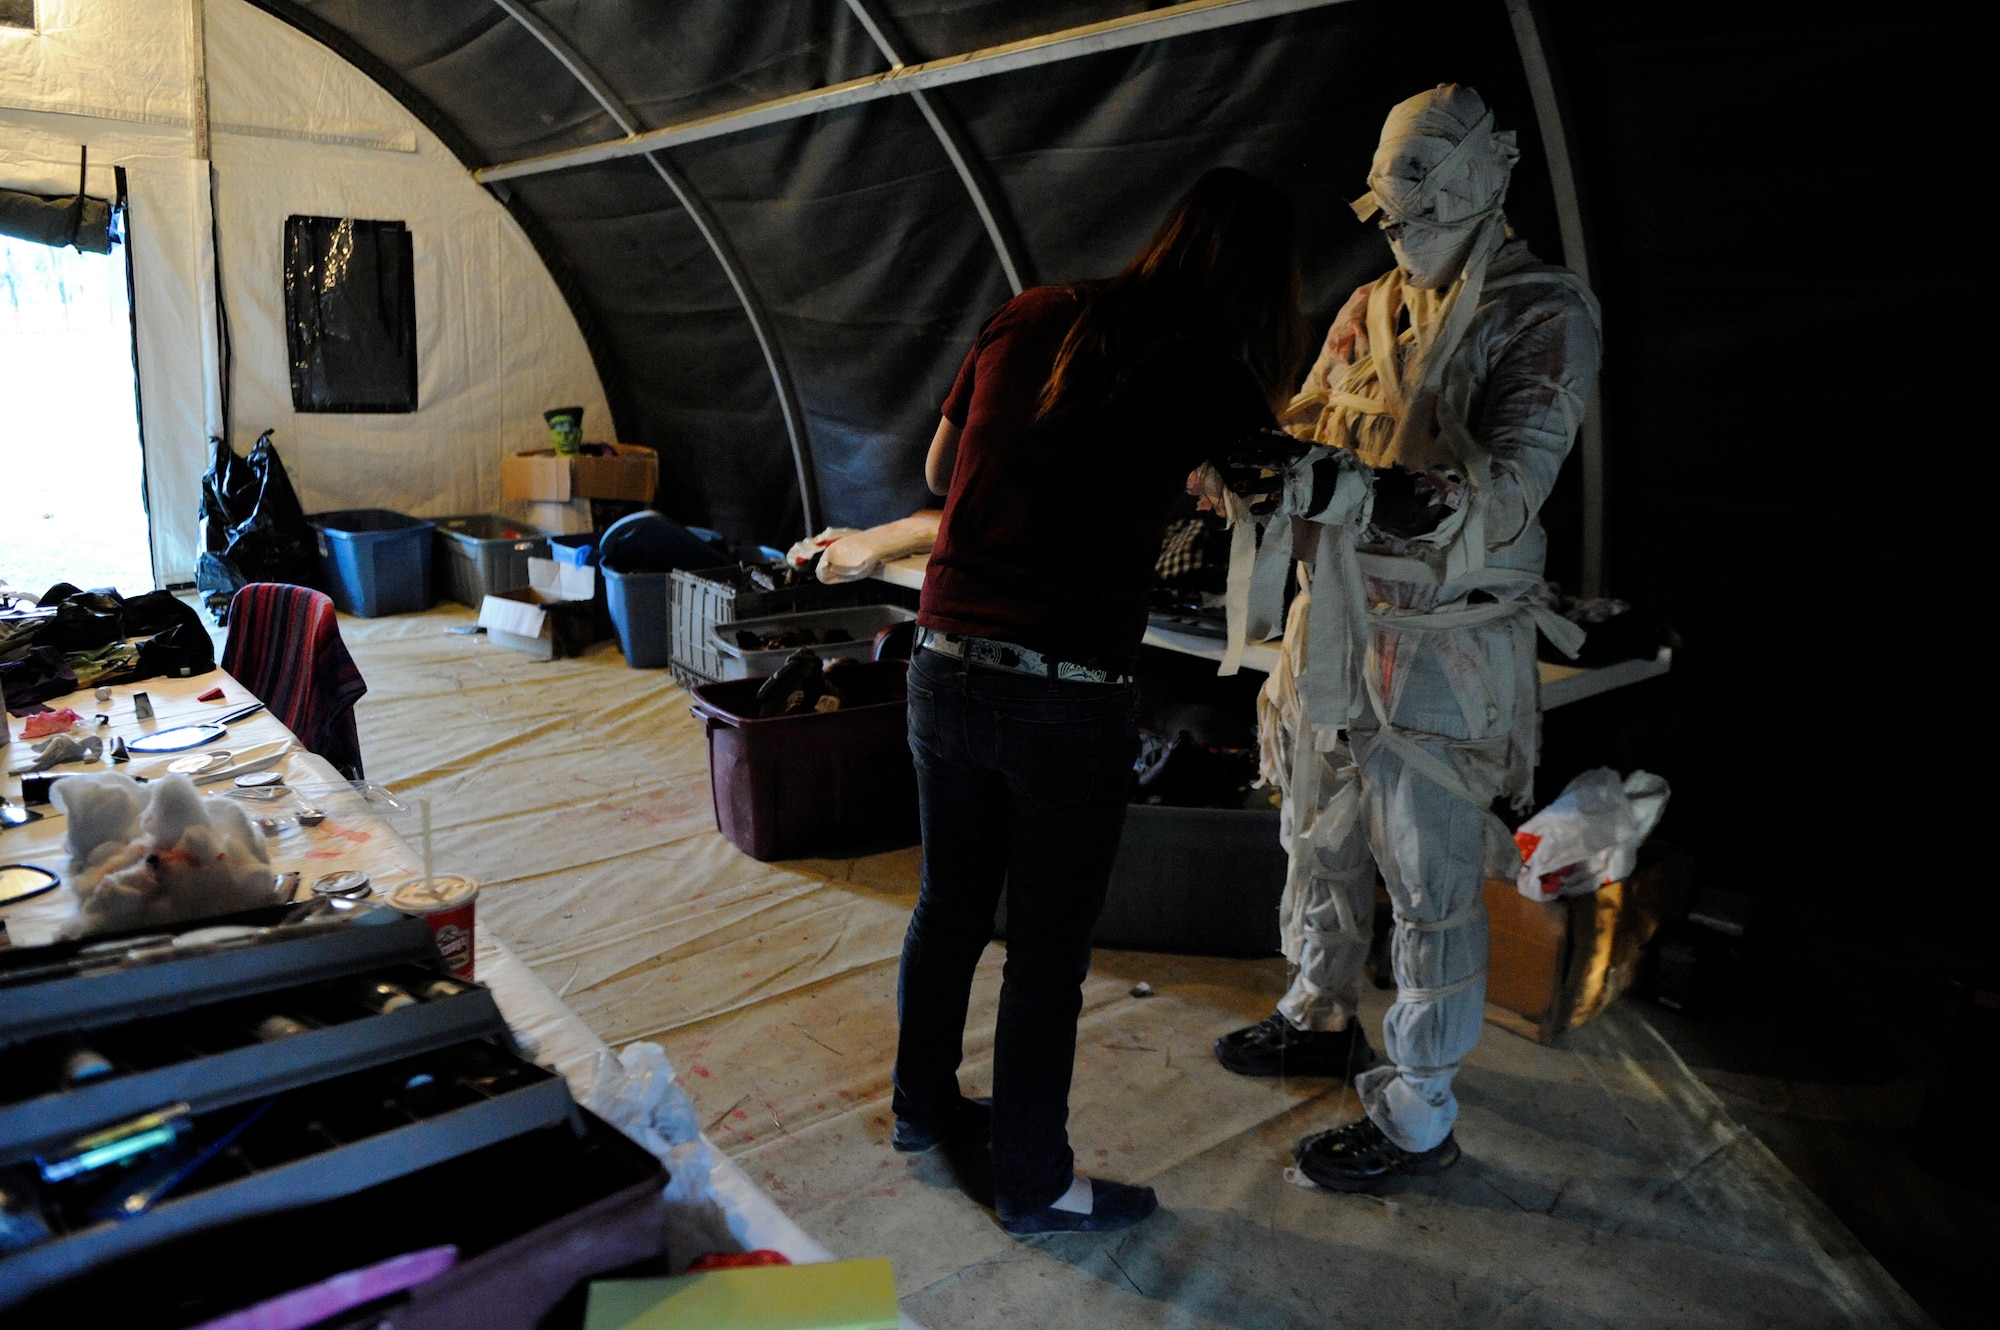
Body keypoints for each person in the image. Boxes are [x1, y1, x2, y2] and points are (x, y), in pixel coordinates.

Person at [892, 167, 1309, 1236]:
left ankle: (920, 1111)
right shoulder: (1208, 374)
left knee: (946, 905)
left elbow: (942, 471)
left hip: (942, 658)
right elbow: (1277, 488)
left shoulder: (1035, 310)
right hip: (1065, 690)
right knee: (1044, 949)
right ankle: (1034, 1183)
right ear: (1263, 290)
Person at [1209, 85, 1602, 1193]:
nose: (1398, 205)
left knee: (1426, 882)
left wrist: (1334, 484)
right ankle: (1317, 1006)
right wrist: (1238, 465)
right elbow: (1304, 422)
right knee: (1314, 833)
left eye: (1423, 172)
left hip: (1438, 649)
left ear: (1491, 167)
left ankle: (1420, 1106)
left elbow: (1506, 487)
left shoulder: (1541, 310)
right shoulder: (1368, 307)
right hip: (1329, 631)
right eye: (1390, 181)